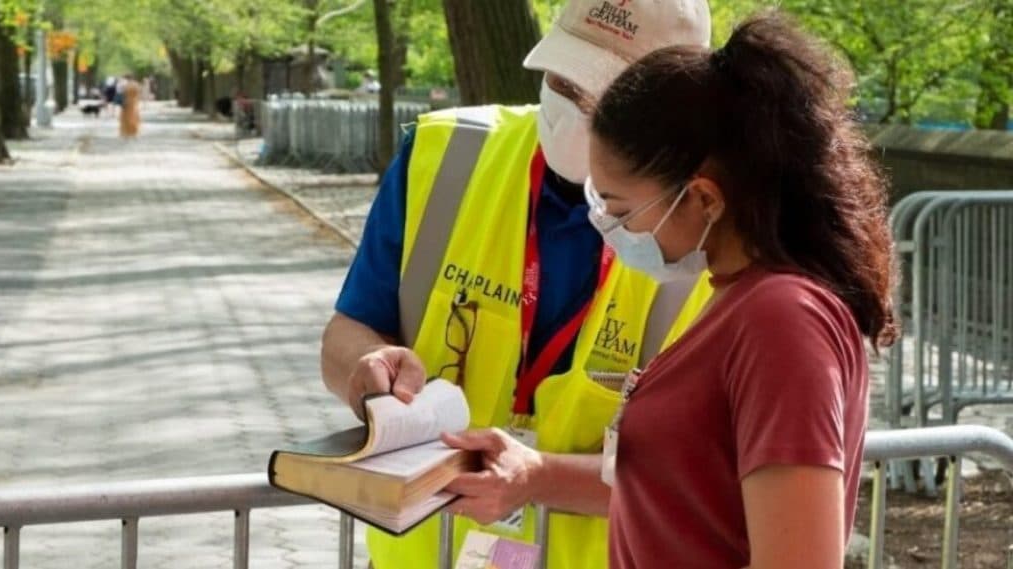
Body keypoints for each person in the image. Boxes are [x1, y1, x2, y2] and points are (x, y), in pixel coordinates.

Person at [320, 1, 712, 568]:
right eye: (561, 78)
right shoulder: (444, 157)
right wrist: (367, 370)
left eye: (600, 95)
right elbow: (346, 334)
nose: (573, 108)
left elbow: (704, 478)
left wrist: (539, 479)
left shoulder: (705, 223)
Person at [585, 11, 897, 569]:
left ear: (704, 198)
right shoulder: (740, 298)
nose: (611, 230)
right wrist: (530, 475)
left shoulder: (780, 320)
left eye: (619, 209)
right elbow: (688, 499)